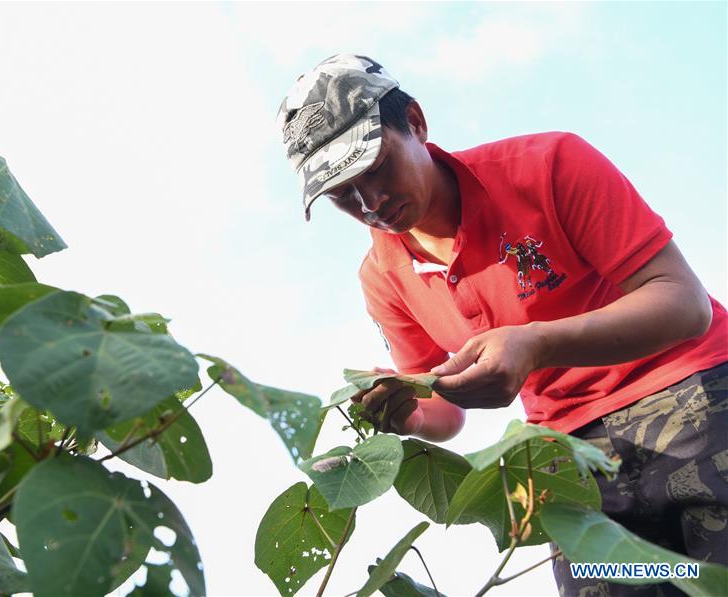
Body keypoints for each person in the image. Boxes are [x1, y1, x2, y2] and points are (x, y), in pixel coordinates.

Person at [276, 54, 727, 595]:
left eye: (375, 168)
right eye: (343, 193)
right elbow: (441, 409)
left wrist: (534, 344)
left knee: (718, 582)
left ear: (416, 122)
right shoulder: (383, 277)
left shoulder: (547, 165)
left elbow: (684, 304)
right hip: (570, 461)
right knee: (657, 580)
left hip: (695, 402)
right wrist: (407, 411)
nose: (371, 202)